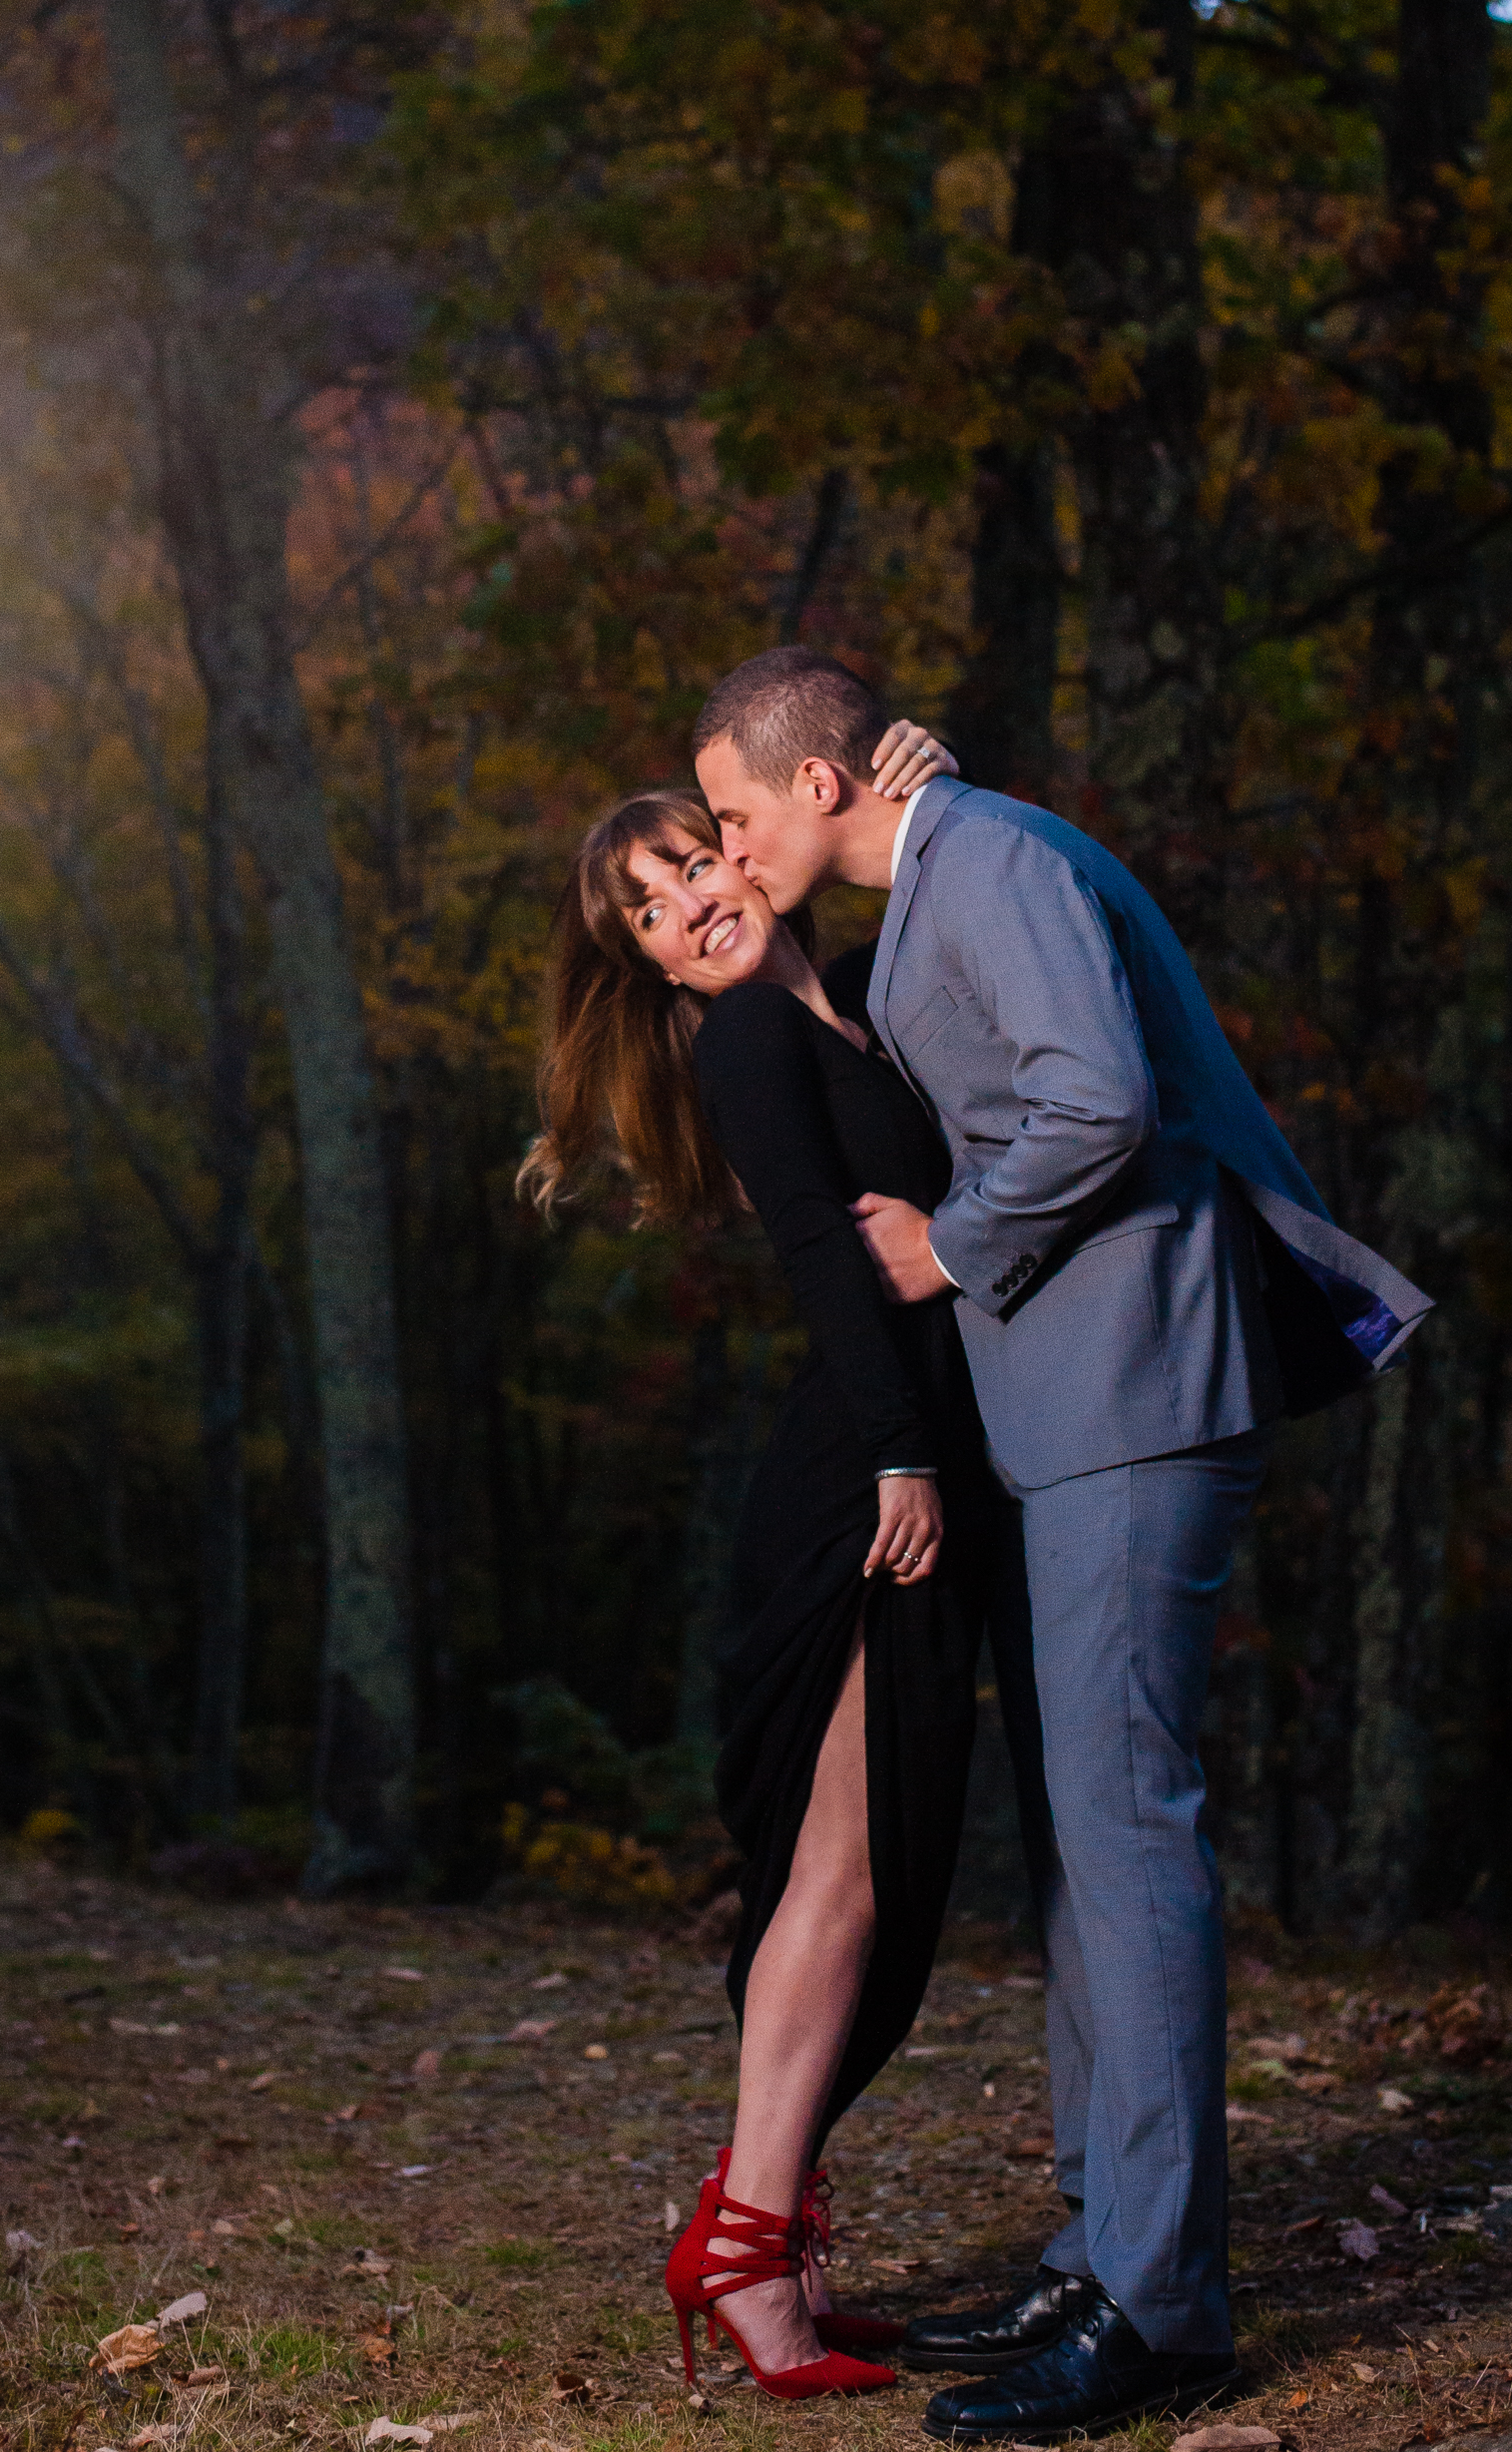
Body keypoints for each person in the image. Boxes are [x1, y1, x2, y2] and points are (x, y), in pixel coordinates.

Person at [691, 649, 1433, 2448]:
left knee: (1127, 1838)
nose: (722, 848)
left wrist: (952, 1242)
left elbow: (1095, 1097)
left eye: (731, 811)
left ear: (822, 779)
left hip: (1131, 1399)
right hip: (1072, 1419)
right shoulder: (954, 863)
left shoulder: (994, 859)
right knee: (1090, 1857)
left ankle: (1163, 2308)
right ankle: (1109, 2248)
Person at [520, 726, 1001, 2406]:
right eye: (640, 914)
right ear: (648, 964)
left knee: (874, 1864)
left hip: (915, 1461)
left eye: (684, 864)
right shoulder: (743, 1047)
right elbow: (821, 1258)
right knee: (842, 1873)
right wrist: (901, 1455)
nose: (679, 909)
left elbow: (919, 873)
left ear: (743, 850)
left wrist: (939, 775)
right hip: (868, 1481)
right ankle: (747, 2249)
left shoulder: (852, 998)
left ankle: (757, 2232)